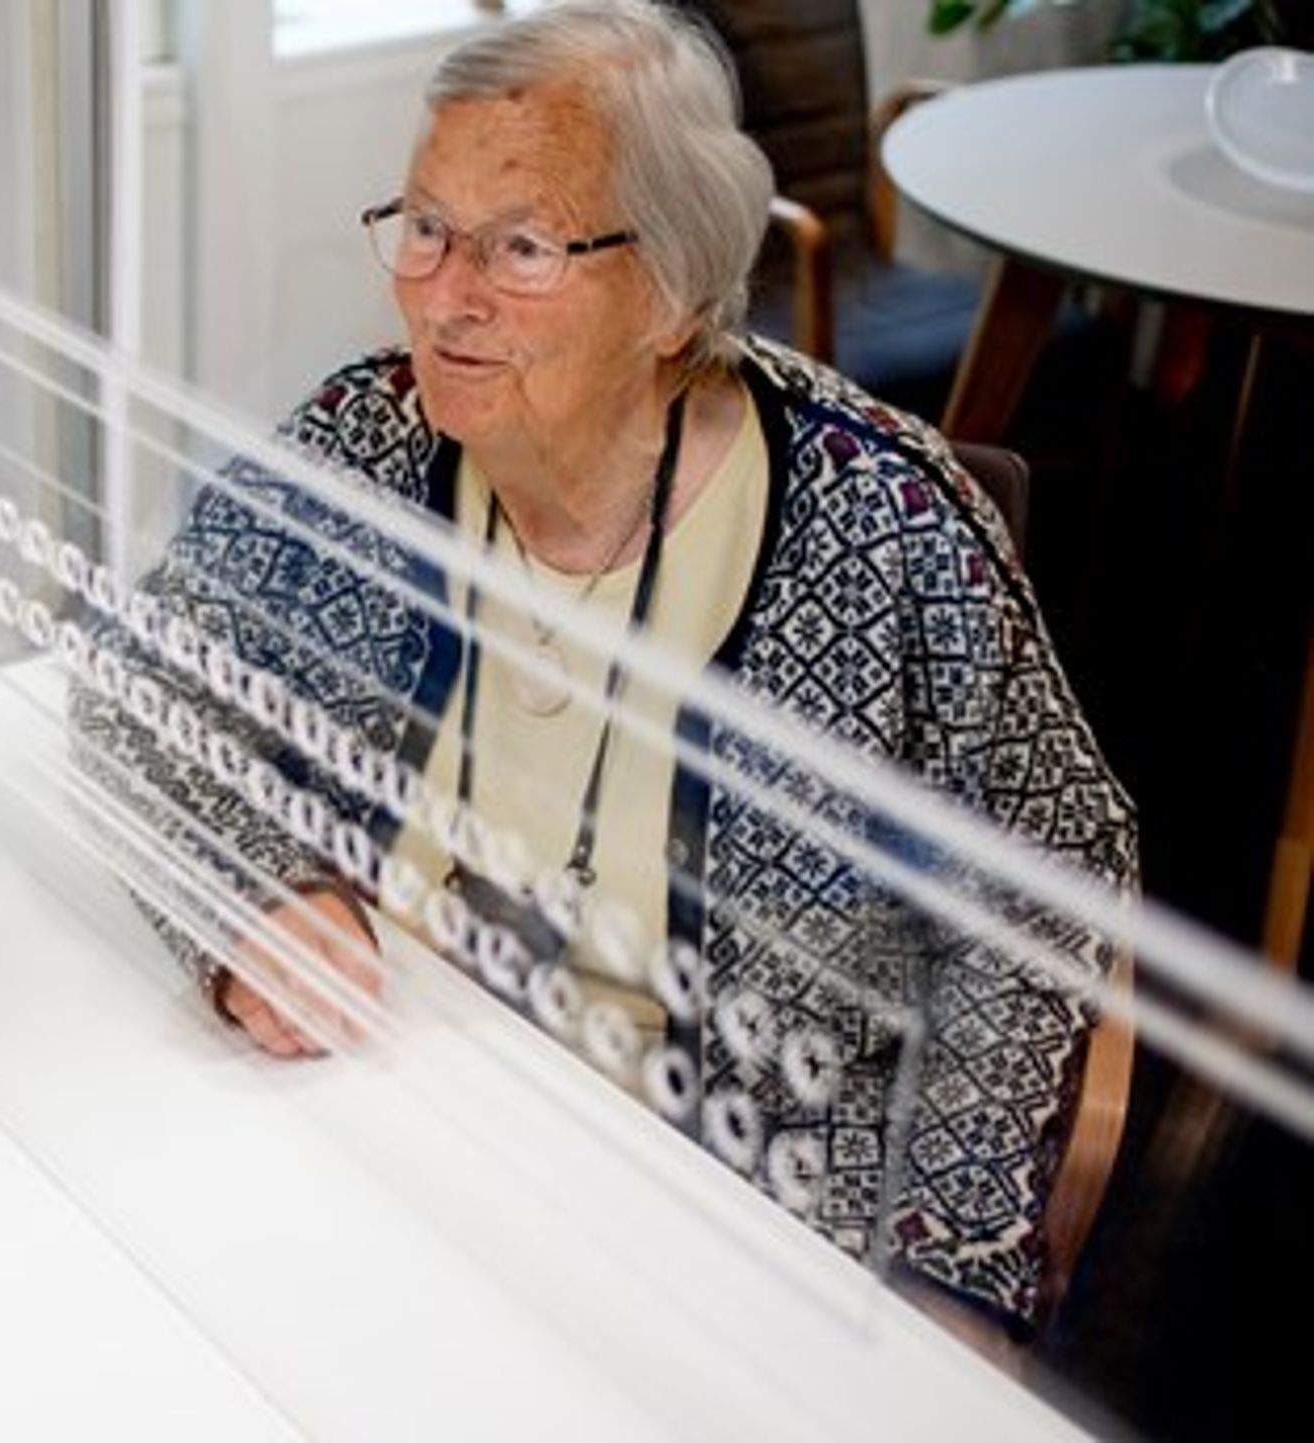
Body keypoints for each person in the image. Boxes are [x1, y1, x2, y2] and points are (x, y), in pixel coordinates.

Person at [71, 0, 1135, 1343]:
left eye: (519, 247)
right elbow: (141, 680)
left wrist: (939, 1286)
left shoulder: (886, 533)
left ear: (677, 289)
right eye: (423, 226)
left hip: (724, 1230)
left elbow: (1040, 900)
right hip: (367, 1125)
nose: (443, 295)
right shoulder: (367, 443)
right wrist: (255, 903)